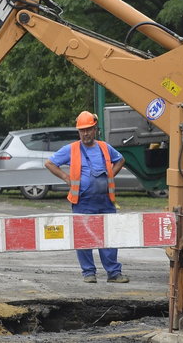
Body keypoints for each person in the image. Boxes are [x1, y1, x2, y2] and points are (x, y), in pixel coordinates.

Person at [44, 111, 130, 284]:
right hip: (83, 201)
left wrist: (110, 176)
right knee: (84, 237)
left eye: (88, 130)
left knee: (108, 236)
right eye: (82, 130)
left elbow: (120, 160)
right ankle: (88, 273)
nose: (85, 133)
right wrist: (66, 178)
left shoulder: (104, 147)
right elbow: (50, 163)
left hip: (105, 200)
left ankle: (113, 273)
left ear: (95, 129)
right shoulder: (72, 149)